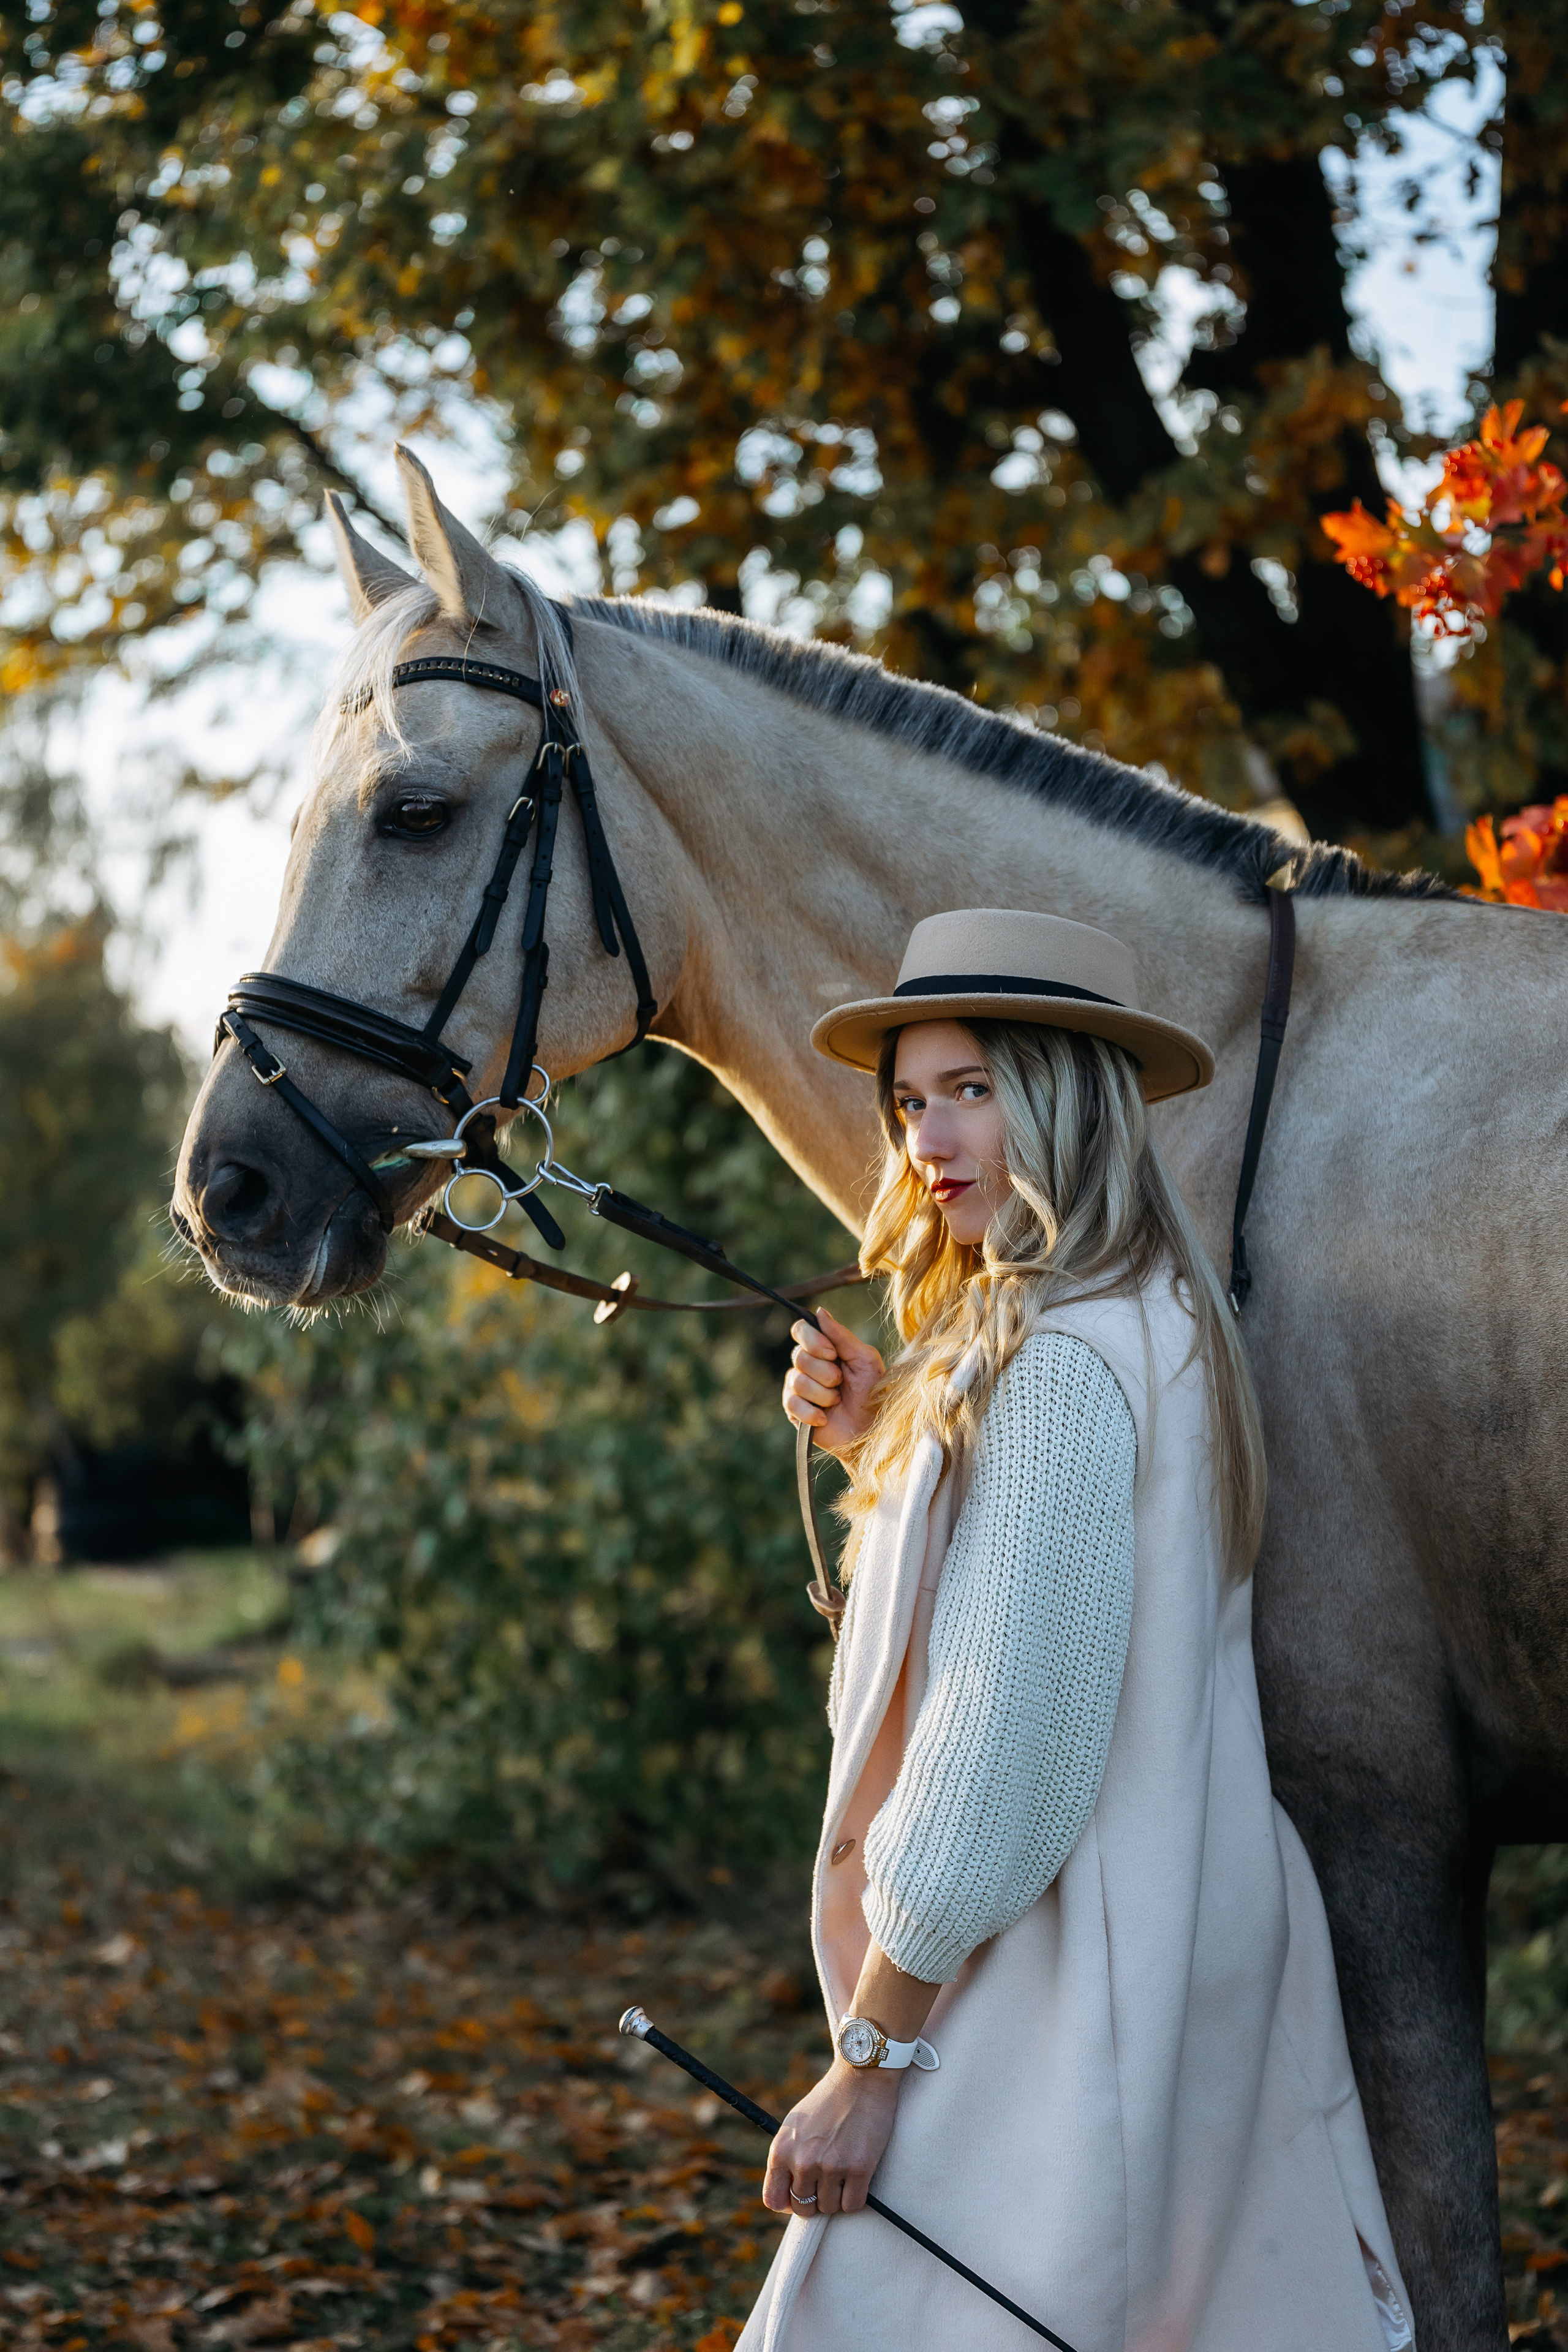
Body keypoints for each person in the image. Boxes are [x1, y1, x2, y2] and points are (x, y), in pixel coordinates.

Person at [737, 908, 1414, 2352]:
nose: (929, 1137)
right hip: (1193, 1932)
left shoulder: (1049, 1367)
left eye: (972, 1088)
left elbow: (1002, 1750)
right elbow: (1074, 1596)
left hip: (1054, 1968)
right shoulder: (1157, 1312)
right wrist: (883, 1449)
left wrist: (869, 2056)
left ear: (1063, 1092)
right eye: (911, 1100)